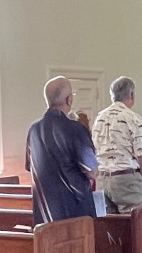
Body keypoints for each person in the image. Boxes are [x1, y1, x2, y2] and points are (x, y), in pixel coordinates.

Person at [26, 76, 99, 226]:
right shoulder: (75, 129)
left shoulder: (33, 130)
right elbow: (92, 170)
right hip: (75, 214)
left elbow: (30, 167)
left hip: (45, 217)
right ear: (69, 99)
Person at [92, 76, 142, 214]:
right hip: (126, 177)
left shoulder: (99, 118)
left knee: (112, 224)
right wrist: (137, 178)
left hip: (103, 180)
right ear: (131, 95)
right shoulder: (132, 118)